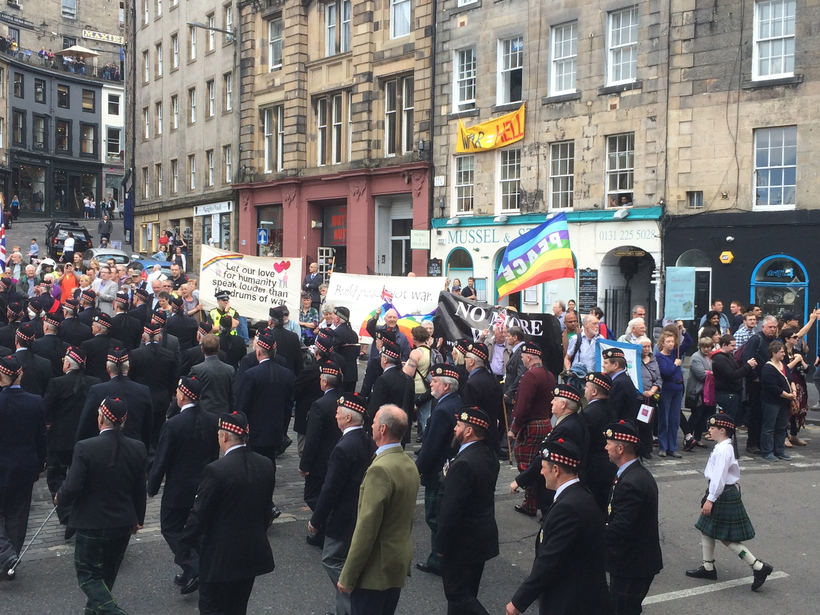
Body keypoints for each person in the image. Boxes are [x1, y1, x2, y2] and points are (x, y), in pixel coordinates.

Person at [179, 411, 276, 615]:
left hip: (219, 557)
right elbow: (266, 510)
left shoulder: (216, 470)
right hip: (251, 552)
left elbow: (199, 514)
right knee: (238, 607)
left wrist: (185, 546)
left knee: (211, 607)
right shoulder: (265, 464)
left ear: (223, 436)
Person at [55, 398, 147, 614]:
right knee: (105, 579)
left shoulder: (85, 447)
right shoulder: (138, 447)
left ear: (100, 418)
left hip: (91, 523)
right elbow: (139, 489)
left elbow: (73, 486)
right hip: (123, 522)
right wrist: (138, 519)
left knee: (88, 576)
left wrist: (60, 498)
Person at [505, 438, 610, 615]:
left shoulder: (568, 508)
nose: (541, 472)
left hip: (572, 603)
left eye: (544, 467)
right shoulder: (578, 495)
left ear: (556, 470)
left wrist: (518, 602)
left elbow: (550, 560)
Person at [337, 405, 419, 615]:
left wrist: (348, 576)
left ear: (382, 429)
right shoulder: (409, 464)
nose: (370, 425)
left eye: (373, 421)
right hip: (396, 563)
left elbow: (366, 528)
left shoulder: (380, 470)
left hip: (375, 570)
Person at [147, 376, 219, 595]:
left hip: (178, 490)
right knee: (194, 528)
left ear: (183, 394)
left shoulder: (173, 424)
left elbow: (162, 460)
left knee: (171, 528)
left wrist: (152, 487)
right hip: (202, 486)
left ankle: (193, 565)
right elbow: (214, 456)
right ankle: (191, 570)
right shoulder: (212, 420)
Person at [686, 413, 774, 591]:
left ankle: (758, 566)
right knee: (706, 529)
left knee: (726, 537)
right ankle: (708, 567)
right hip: (721, 491)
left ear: (722, 430)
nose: (709, 430)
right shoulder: (722, 446)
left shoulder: (724, 449)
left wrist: (710, 499)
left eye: (712, 427)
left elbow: (719, 477)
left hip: (722, 493)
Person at [308, 393, 376, 615]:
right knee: (348, 560)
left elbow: (330, 489)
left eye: (339, 412)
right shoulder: (366, 440)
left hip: (343, 515)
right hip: (359, 511)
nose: (335, 415)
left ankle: (352, 600)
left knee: (332, 560)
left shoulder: (343, 446)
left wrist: (316, 520)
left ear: (348, 418)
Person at [436, 406, 500, 615]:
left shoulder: (463, 463)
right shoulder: (488, 455)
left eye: (459, 425)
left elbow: (451, 509)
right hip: (480, 538)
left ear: (469, 431)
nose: (455, 429)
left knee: (457, 595)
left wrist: (442, 544)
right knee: (466, 594)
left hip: (461, 541)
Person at [604, 419, 663, 615]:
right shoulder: (632, 474)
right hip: (633, 562)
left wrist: (592, 537)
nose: (606, 447)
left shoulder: (632, 481)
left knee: (623, 610)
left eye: (609, 444)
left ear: (620, 449)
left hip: (631, 565)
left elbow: (620, 527)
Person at [0, 355, 47, 578]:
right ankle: (11, 561)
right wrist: (41, 462)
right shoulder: (35, 401)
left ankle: (5, 553)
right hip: (25, 466)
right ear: (21, 374)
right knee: (18, 517)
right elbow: (41, 437)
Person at [415, 363, 462, 575]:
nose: (431, 384)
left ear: (445, 386)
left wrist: (418, 469)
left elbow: (431, 446)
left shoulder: (443, 409)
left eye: (434, 381)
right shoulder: (454, 402)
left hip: (438, 471)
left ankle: (438, 560)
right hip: (449, 467)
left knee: (434, 517)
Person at [508, 342, 555, 517]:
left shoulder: (530, 376)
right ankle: (534, 503)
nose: (522, 360)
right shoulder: (549, 375)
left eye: (522, 357)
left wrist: (514, 428)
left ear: (528, 357)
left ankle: (530, 504)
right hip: (545, 423)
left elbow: (522, 405)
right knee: (539, 463)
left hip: (532, 425)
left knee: (526, 465)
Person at [300, 363, 345, 529]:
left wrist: (304, 465)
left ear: (325, 382)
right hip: (340, 454)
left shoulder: (319, 405)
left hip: (321, 460)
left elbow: (312, 439)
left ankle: (325, 523)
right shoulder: (344, 400)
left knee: (312, 495)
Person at [741, 315, 778, 454]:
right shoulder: (756, 339)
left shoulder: (773, 341)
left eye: (774, 327)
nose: (772, 330)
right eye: (770, 327)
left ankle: (762, 443)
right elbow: (747, 358)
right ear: (763, 327)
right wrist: (754, 376)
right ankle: (752, 443)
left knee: (765, 414)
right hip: (756, 383)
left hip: (768, 383)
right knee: (755, 413)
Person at [581, 372, 617, 511]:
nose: (585, 389)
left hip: (593, 468)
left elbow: (583, 442)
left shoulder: (588, 413)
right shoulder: (610, 409)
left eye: (587, 387)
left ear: (594, 391)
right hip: (609, 465)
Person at [460, 342, 504, 455]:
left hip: (478, 438)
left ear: (472, 361)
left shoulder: (472, 384)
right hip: (492, 434)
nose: (465, 360)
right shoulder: (492, 378)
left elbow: (470, 415)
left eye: (466, 357)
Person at [655, 325, 692, 457]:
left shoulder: (676, 352)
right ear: (662, 343)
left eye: (672, 341)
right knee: (664, 418)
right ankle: (663, 446)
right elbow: (665, 372)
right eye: (668, 342)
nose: (671, 344)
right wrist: (675, 364)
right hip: (667, 389)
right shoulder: (659, 357)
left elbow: (689, 342)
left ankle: (673, 447)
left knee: (675, 419)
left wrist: (683, 330)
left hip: (678, 388)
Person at [367, 340, 414, 441]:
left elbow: (375, 407)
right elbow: (410, 407)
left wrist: (370, 430)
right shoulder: (408, 379)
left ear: (385, 359)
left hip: (385, 433)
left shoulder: (383, 380)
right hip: (401, 430)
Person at [760, 340, 795, 461]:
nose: (783, 354)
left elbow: (790, 378)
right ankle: (767, 451)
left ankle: (779, 450)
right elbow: (772, 387)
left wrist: (794, 391)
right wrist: (787, 395)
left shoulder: (783, 365)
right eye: (781, 352)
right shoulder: (768, 368)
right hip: (771, 402)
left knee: (782, 426)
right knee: (769, 427)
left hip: (783, 402)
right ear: (774, 353)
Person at [684, 337, 716, 451]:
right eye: (704, 347)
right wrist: (713, 373)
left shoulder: (711, 357)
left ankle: (697, 438)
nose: (707, 349)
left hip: (708, 392)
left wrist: (710, 373)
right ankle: (688, 437)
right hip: (697, 391)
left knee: (704, 416)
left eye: (709, 347)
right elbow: (701, 375)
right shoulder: (696, 357)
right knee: (696, 415)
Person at [780, 327, 809, 447]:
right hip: (787, 383)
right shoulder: (782, 352)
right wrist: (796, 360)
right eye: (794, 337)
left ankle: (794, 435)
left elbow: (807, 369)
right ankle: (784, 436)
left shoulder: (797, 351)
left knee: (798, 410)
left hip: (799, 383)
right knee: (787, 411)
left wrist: (801, 361)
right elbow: (784, 368)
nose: (797, 339)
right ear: (787, 339)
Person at [637, 336, 661, 458]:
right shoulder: (635, 360)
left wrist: (652, 390)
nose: (646, 349)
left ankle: (647, 449)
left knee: (648, 425)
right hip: (638, 397)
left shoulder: (653, 360)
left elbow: (658, 378)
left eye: (648, 346)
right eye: (644, 346)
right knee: (638, 424)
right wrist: (641, 391)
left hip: (650, 398)